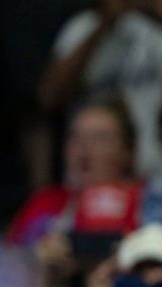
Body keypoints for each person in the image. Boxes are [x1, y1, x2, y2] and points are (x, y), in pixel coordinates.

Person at [9, 93, 141, 287]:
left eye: (99, 138)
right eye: (75, 137)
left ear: (127, 152)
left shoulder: (149, 200)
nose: (83, 149)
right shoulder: (45, 202)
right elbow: (2, 274)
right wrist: (34, 260)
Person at [39, 0, 162, 177]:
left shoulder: (154, 29)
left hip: (152, 168)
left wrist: (154, 14)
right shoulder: (82, 27)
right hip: (90, 172)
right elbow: (49, 96)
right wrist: (105, 23)